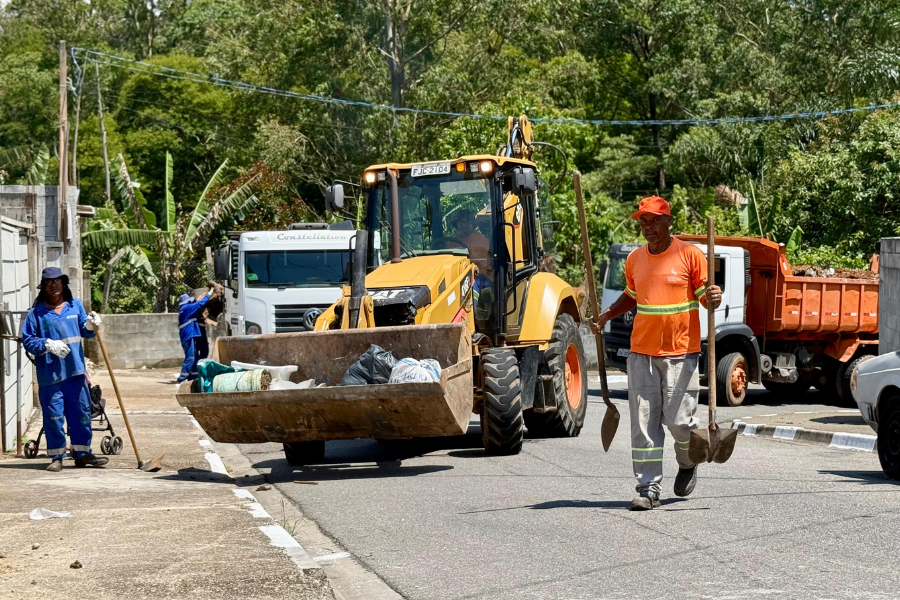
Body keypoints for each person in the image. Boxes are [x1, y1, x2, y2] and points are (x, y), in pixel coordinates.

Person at [591, 196, 722, 511]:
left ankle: (687, 459)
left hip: (681, 353)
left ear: (668, 221)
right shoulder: (635, 259)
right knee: (644, 425)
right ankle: (648, 488)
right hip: (642, 353)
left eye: (653, 220)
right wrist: (607, 314)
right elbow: (631, 295)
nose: (647, 227)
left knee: (679, 422)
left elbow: (706, 297)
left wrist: (714, 297)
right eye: (643, 221)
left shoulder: (690, 255)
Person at [22, 267, 108, 472]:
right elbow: (28, 341)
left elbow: (86, 333)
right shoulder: (36, 313)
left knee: (81, 415)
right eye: (49, 282)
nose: (53, 285)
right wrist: (47, 344)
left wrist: (90, 325)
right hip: (50, 376)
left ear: (63, 283)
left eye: (57, 281)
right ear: (43, 287)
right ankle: (57, 457)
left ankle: (83, 454)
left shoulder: (74, 305)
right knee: (54, 418)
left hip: (75, 373)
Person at [177, 284, 223, 382]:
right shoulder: (187, 308)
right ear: (187, 302)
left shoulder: (185, 309)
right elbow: (200, 304)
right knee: (191, 357)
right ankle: (182, 377)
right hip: (188, 335)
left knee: (195, 356)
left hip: (190, 334)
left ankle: (193, 376)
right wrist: (210, 293)